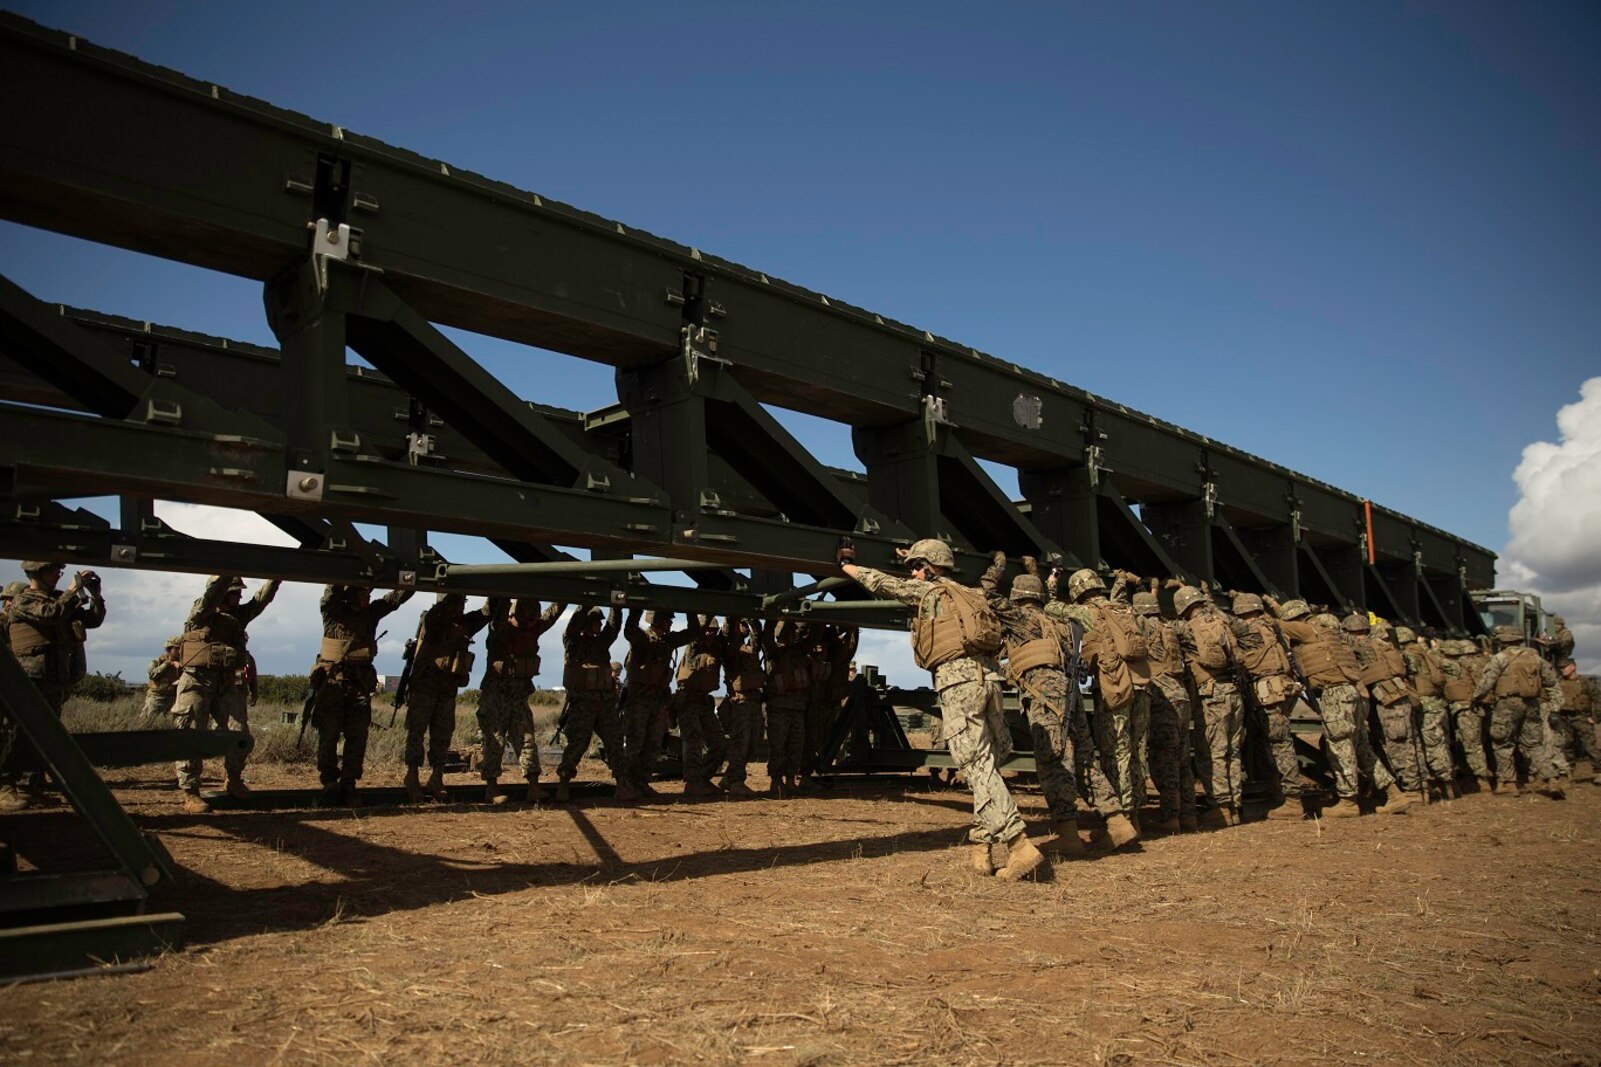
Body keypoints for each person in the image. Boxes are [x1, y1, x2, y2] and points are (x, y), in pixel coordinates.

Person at [841, 538, 1043, 881]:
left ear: (931, 568)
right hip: (991, 682)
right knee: (988, 765)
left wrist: (847, 566)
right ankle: (982, 850)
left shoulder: (929, 595)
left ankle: (1018, 844)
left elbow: (881, 583)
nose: (913, 574)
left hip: (958, 684)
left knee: (976, 767)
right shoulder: (973, 594)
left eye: (917, 568)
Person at [979, 551, 1085, 857]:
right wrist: (1038, 573)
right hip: (1067, 689)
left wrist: (998, 566)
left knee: (1053, 760)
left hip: (1041, 691)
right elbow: (1045, 601)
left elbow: (985, 594)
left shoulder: (1017, 615)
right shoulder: (1055, 619)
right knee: (1082, 755)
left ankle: (1069, 832)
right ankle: (1118, 821)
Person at [1265, 598, 1408, 817]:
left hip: (1335, 695)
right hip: (1353, 692)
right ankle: (1394, 793)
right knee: (1362, 747)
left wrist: (1258, 609)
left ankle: (1348, 802)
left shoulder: (1305, 630)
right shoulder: (1328, 632)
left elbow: (1276, 625)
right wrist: (1274, 603)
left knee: (1339, 747)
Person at [1043, 568, 1149, 849]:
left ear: (1078, 591)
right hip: (1141, 684)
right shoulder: (1124, 609)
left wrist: (1051, 586)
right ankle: (1137, 816)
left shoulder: (1086, 612)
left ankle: (1123, 823)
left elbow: (1051, 608)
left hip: (1115, 688)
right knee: (1137, 751)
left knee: (1117, 753)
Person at [170, 575, 281, 812]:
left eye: (240, 593)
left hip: (226, 683)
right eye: (234, 592)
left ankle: (234, 780)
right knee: (191, 735)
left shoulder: (238, 617)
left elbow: (260, 601)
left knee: (238, 733)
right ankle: (190, 793)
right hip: (196, 681)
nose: (239, 597)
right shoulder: (201, 611)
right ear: (222, 592)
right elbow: (211, 594)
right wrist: (227, 571)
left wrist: (276, 578)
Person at [3, 562, 106, 808]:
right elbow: (52, 614)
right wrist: (72, 591)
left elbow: (92, 620)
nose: (58, 576)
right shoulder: (23, 600)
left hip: (54, 679)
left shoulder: (61, 599)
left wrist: (96, 595)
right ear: (37, 573)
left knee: (45, 736)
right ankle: (5, 787)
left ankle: (31, 785)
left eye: (60, 572)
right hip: (28, 679)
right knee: (12, 734)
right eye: (54, 572)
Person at [310, 583, 413, 806]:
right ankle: (329, 782)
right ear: (351, 595)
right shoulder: (333, 612)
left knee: (357, 737)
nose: (368, 597)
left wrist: (408, 577)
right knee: (328, 735)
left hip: (359, 684)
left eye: (369, 593)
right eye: (364, 593)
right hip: (333, 683)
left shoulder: (371, 614)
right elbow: (330, 592)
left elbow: (395, 599)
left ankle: (349, 783)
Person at [403, 592, 490, 803]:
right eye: (457, 602)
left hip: (447, 690)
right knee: (416, 733)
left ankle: (436, 777)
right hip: (424, 688)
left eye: (463, 602)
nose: (461, 606)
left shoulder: (465, 624)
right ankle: (412, 777)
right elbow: (435, 615)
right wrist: (450, 595)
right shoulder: (433, 620)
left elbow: (487, 613)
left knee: (442, 736)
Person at [1169, 586, 1245, 827]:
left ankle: (1219, 807)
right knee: (1232, 752)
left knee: (1212, 752)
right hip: (1233, 692)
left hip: (1211, 695)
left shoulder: (1187, 627)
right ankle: (1234, 806)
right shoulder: (1222, 621)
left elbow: (1158, 625)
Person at [1231, 593, 1311, 820]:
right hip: (1281, 690)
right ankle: (1278, 792)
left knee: (1280, 745)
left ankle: (1292, 800)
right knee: (1269, 743)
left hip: (1270, 693)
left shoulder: (1250, 630)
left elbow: (1223, 621)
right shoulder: (1273, 628)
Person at [477, 597, 564, 805]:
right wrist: (506, 594)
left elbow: (553, 614)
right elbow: (497, 615)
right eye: (527, 617)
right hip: (496, 696)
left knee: (527, 740)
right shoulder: (500, 630)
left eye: (533, 618)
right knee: (494, 741)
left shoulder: (532, 629)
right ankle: (491, 788)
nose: (532, 622)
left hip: (519, 697)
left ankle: (533, 786)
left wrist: (565, 596)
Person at [1474, 625, 1565, 798]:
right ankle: (1552, 778)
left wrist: (1476, 698)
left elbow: (1486, 683)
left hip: (1507, 705)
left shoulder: (1499, 658)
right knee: (1534, 745)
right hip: (1532, 705)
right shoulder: (1536, 659)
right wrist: (1555, 707)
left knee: (1503, 743)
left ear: (1501, 640)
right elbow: (1552, 684)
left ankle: (1508, 783)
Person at [1346, 616, 1427, 807]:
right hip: (1397, 696)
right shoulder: (1382, 645)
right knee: (1409, 742)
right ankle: (1418, 789)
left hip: (1388, 699)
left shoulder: (1361, 645)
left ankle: (1412, 791)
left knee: (1398, 745)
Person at [554, 606, 633, 802]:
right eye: (597, 621)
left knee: (615, 743)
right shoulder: (573, 641)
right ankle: (563, 784)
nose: (600, 624)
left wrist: (617, 606)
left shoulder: (602, 643)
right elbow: (573, 624)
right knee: (578, 744)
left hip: (605, 704)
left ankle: (622, 784)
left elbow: (613, 627)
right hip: (582, 703)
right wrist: (586, 603)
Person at [622, 609, 697, 795]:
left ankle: (642, 782)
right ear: (657, 620)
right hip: (638, 698)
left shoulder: (667, 642)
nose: (671, 623)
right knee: (635, 742)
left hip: (657, 699)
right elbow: (629, 629)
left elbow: (692, 633)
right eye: (667, 620)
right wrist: (635, 609)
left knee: (654, 744)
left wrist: (692, 612)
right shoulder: (642, 639)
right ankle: (626, 783)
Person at [673, 615, 729, 797]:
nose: (709, 634)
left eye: (713, 631)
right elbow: (697, 630)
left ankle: (703, 779)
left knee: (719, 743)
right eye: (707, 630)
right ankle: (692, 782)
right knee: (693, 742)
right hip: (688, 701)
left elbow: (727, 633)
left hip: (704, 702)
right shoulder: (693, 646)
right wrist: (709, 611)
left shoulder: (715, 648)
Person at [1398, 626, 1455, 799]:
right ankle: (1450, 784)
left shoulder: (1410, 655)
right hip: (1437, 702)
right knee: (1441, 742)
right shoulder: (1427, 653)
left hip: (1425, 705)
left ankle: (1446, 784)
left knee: (1431, 745)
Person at [717, 616, 768, 797]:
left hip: (754, 701)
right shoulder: (729, 647)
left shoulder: (749, 648)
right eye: (742, 625)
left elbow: (756, 641)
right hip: (740, 702)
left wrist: (752, 621)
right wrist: (734, 617)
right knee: (741, 743)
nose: (745, 628)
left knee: (753, 743)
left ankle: (728, 779)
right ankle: (736, 781)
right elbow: (727, 632)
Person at [762, 620, 812, 795]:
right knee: (778, 745)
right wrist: (772, 616)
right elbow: (766, 637)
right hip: (779, 707)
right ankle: (776, 780)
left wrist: (814, 620)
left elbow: (813, 638)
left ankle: (790, 779)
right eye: (788, 632)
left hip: (797, 707)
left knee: (796, 745)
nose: (791, 635)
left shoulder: (799, 652)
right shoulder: (774, 652)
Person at [1555, 659, 1599, 784]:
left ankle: (1599, 771)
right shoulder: (1559, 682)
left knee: (1589, 745)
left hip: (1581, 717)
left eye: (1565, 667)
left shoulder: (1585, 682)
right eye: (1561, 667)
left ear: (1573, 667)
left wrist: (1595, 718)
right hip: (1564, 717)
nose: (1562, 669)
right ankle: (1568, 772)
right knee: (1566, 745)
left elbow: (1597, 699)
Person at [142, 636, 183, 717]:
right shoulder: (157, 662)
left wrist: (181, 668)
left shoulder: (181, 665)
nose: (180, 651)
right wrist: (166, 664)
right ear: (170, 649)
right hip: (156, 698)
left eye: (181, 648)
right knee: (149, 721)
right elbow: (152, 675)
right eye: (177, 648)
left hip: (173, 699)